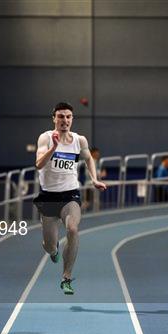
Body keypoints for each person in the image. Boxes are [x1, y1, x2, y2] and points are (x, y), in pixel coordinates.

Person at [33, 102, 107, 295]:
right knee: (50, 246)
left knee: (73, 229)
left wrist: (94, 179)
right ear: (54, 119)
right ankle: (53, 250)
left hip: (70, 195)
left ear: (72, 119)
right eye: (60, 116)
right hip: (48, 196)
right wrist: (53, 148)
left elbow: (89, 158)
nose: (64, 120)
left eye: (68, 117)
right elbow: (39, 165)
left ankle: (66, 277)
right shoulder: (46, 138)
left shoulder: (79, 140)